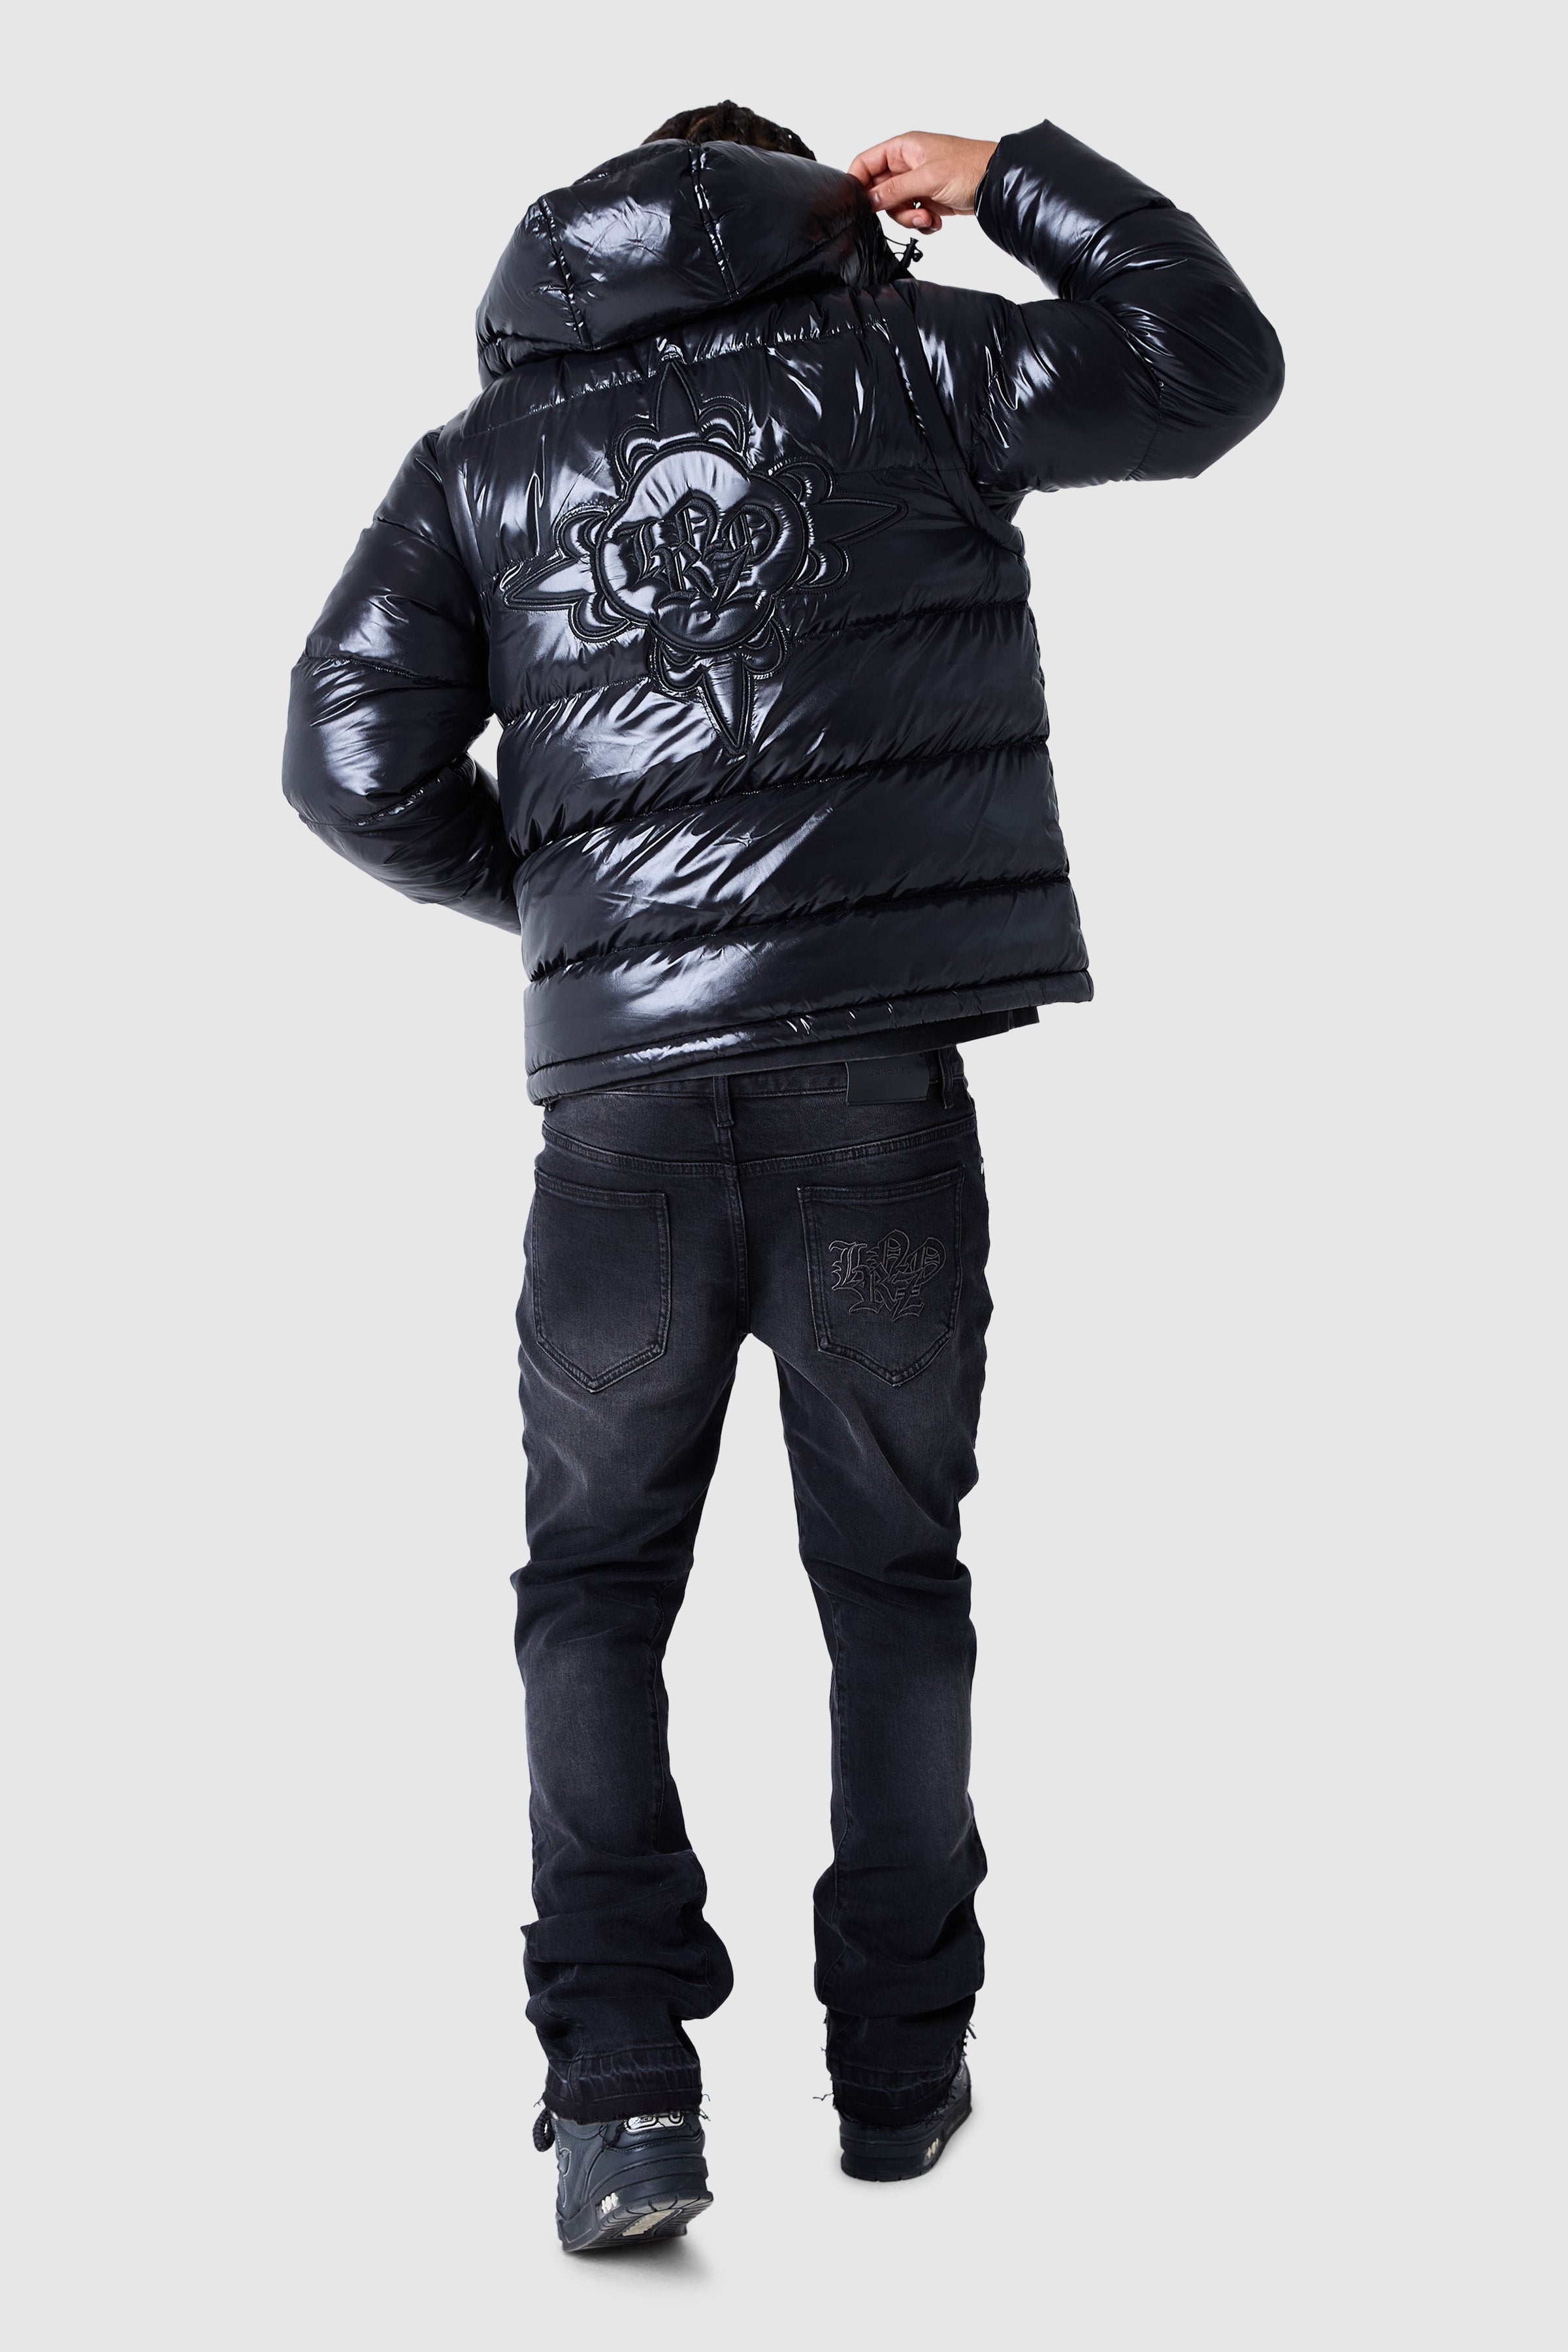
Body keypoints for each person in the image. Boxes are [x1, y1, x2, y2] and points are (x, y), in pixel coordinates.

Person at [283, 99, 1282, 2251]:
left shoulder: (487, 462)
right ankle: (901, 2073)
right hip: (871, 1100)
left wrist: (586, 914)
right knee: (894, 1581)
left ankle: (623, 2091)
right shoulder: (907, 361)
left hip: (621, 1126)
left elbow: (344, 752)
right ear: (817, 214)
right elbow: (1208, 364)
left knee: (593, 1588)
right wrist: (1011, 176)